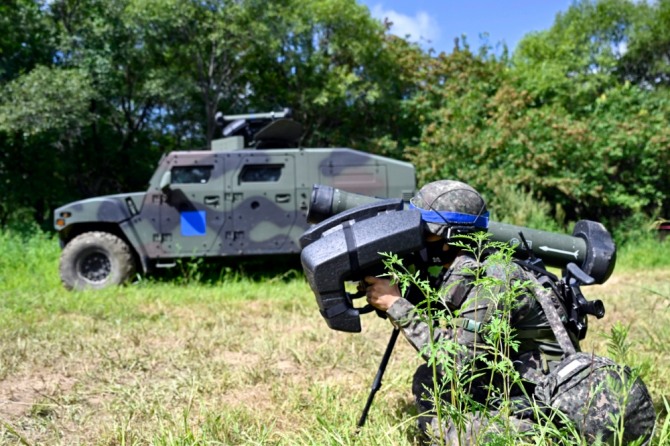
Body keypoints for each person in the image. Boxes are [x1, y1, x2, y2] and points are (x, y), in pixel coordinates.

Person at [363, 179, 655, 445]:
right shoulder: (477, 263)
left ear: (450, 238)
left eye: (424, 233)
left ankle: (543, 438)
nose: (417, 240)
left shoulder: (494, 280)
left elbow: (455, 361)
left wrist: (396, 304)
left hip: (552, 401)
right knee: (429, 379)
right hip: (519, 378)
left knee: (452, 428)